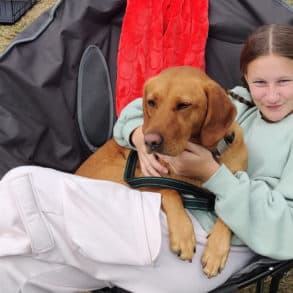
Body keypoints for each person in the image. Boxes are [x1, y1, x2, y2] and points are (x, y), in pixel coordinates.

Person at [0, 24, 292, 293]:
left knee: (22, 184)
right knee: (16, 268)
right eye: (260, 82)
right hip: (158, 224)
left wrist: (212, 175)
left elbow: (287, 229)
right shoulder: (236, 103)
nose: (271, 96)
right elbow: (140, 111)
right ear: (246, 79)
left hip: (211, 246)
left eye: (284, 81)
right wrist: (139, 135)